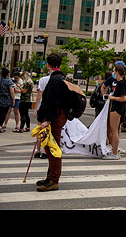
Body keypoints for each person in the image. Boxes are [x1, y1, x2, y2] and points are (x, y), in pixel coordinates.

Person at [35, 53, 68, 191]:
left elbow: (53, 102)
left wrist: (48, 120)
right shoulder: (58, 78)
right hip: (56, 118)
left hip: (54, 120)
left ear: (48, 64)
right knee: (50, 149)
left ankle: (54, 180)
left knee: (53, 149)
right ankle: (50, 177)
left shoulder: (54, 80)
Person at [105, 64, 126, 159]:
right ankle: (114, 150)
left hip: (117, 108)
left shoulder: (121, 83)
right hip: (116, 107)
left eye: (114, 71)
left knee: (114, 131)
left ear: (117, 72)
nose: (113, 73)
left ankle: (115, 152)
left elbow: (123, 98)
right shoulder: (120, 83)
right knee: (113, 130)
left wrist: (112, 97)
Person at [0, 68, 15, 133]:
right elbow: (12, 91)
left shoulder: (0, 80)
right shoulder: (9, 81)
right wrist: (13, 99)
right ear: (8, 74)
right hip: (6, 99)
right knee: (4, 113)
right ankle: (0, 126)